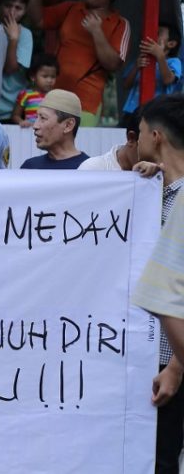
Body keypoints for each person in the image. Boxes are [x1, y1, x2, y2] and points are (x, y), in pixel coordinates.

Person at [128, 94, 184, 474]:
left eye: (143, 132)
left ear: (158, 136)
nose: (138, 140)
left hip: (173, 355)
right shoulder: (156, 191)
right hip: (147, 353)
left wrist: (178, 367)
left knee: (163, 458)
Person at [28, 0, 130, 127]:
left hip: (86, 102)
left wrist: (97, 32)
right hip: (54, 95)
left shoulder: (120, 24)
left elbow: (113, 64)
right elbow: (38, 21)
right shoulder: (71, 8)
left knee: (76, 147)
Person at [122, 23, 181, 127]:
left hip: (156, 114)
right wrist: (136, 66)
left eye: (157, 33)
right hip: (131, 112)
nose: (152, 36)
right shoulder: (141, 59)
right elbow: (126, 85)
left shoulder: (173, 62)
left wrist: (160, 55)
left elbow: (168, 79)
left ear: (171, 44)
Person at [20, 89, 89, 169]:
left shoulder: (88, 170)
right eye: (37, 117)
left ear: (68, 125)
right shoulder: (30, 168)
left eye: (43, 118)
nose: (35, 126)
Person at [0, 0, 34, 121]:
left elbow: (11, 68)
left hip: (14, 109)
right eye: (8, 5)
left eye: (18, 8)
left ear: (25, 10)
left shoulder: (25, 34)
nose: (12, 12)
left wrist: (13, 39)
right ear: (0, 5)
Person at [11, 53, 59, 127]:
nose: (49, 80)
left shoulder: (56, 96)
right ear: (33, 76)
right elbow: (15, 115)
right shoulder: (25, 94)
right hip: (30, 132)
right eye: (45, 76)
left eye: (53, 77)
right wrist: (22, 122)